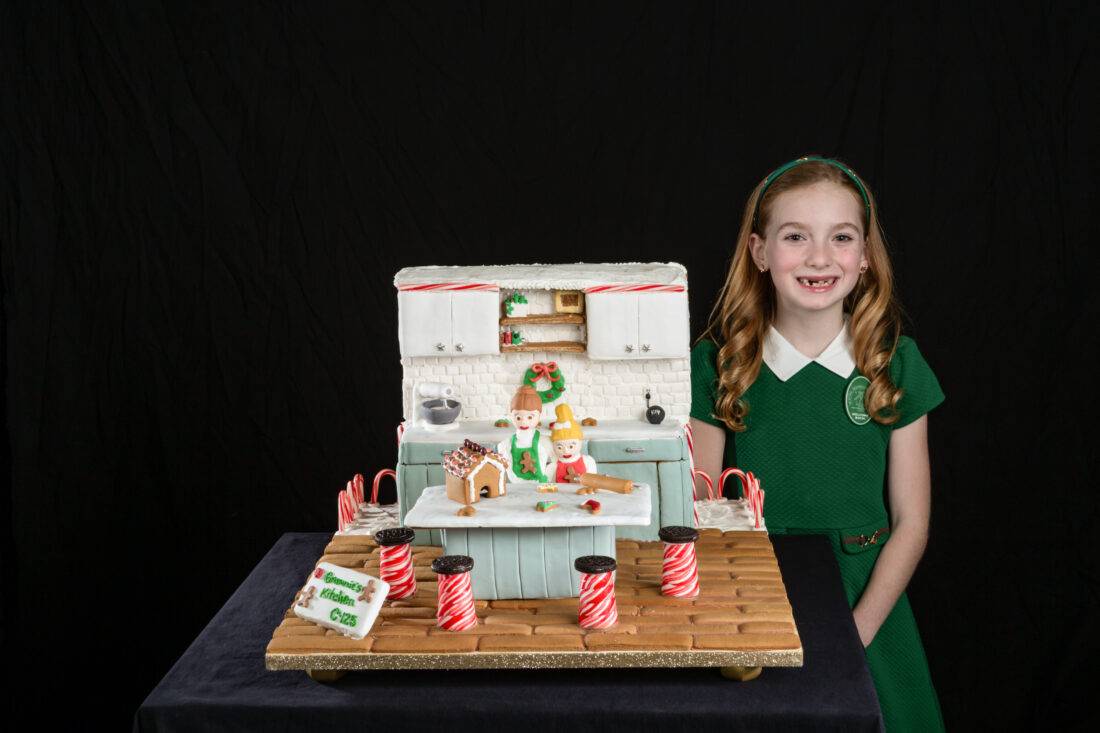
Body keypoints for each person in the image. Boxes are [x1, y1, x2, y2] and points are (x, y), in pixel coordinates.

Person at [690, 156, 945, 732]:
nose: (820, 257)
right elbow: (699, 514)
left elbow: (913, 522)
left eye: (841, 237)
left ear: (865, 256)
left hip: (866, 603)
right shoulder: (716, 365)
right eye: (796, 236)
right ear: (759, 252)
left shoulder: (894, 364)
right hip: (752, 592)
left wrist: (854, 633)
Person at [497, 385, 552, 482]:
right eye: (518, 417)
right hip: (517, 487)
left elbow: (555, 463)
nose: (524, 422)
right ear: (511, 415)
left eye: (530, 417)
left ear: (539, 416)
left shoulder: (544, 441)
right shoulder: (505, 444)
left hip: (539, 486)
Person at [547, 403, 597, 483]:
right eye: (559, 447)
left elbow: (593, 481)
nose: (566, 451)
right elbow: (545, 481)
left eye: (571, 446)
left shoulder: (587, 461)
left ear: (580, 442)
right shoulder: (554, 465)